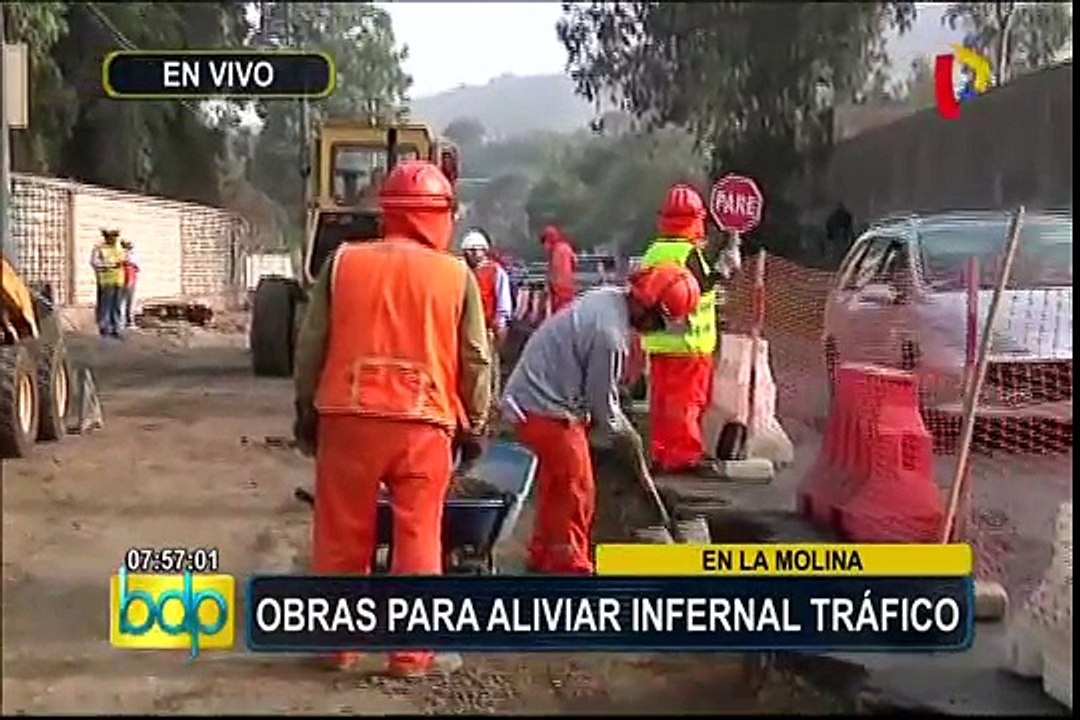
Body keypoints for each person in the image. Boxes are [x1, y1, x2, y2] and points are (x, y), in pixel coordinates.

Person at [292, 160, 492, 677]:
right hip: (424, 424)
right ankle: (410, 655)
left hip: (348, 416)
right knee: (418, 538)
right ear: (441, 215)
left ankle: (337, 644)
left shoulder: (342, 263)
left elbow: (310, 345)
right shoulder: (456, 275)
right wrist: (475, 422)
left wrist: (306, 413)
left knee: (341, 535)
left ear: (387, 212)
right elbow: (476, 357)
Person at [501, 263, 701, 574]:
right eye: (660, 322)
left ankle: (544, 557)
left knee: (556, 487)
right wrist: (629, 440)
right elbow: (604, 412)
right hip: (546, 408)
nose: (657, 329)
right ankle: (572, 567)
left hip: (532, 399)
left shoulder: (609, 300)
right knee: (577, 489)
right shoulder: (610, 336)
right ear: (646, 307)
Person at [639, 183, 741, 474]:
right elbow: (698, 290)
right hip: (690, 344)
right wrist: (723, 268)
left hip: (659, 342)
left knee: (661, 402)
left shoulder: (653, 252)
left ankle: (662, 452)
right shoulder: (688, 254)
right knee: (688, 402)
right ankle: (683, 457)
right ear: (696, 219)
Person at [460, 229, 513, 412]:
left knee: (489, 366)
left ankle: (491, 405)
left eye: (477, 250)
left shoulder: (496, 272)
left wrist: (501, 323)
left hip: (487, 327)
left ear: (484, 250)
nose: (474, 254)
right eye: (470, 250)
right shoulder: (462, 272)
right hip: (465, 327)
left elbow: (503, 301)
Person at [90, 229, 125, 338]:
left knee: (117, 306)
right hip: (105, 281)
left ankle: (116, 328)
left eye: (116, 237)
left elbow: (123, 258)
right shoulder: (99, 248)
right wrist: (109, 265)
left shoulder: (118, 247)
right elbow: (94, 262)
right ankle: (104, 327)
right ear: (107, 238)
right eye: (112, 237)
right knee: (105, 305)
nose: (114, 240)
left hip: (118, 280)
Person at [539, 225, 577, 315]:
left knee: (559, 313)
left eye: (544, 243)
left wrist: (548, 284)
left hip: (559, 290)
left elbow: (554, 270)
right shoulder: (567, 247)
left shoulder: (556, 251)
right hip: (569, 288)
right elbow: (574, 263)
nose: (544, 247)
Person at [120, 239, 140, 329]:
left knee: (130, 301)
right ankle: (121, 321)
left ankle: (130, 321)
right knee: (121, 301)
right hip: (120, 278)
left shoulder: (133, 255)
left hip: (131, 278)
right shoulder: (119, 254)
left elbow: (137, 265)